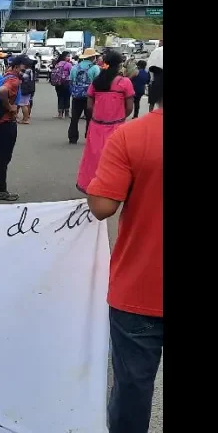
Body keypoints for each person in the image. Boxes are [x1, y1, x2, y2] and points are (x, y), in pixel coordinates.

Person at [86, 66, 162, 433]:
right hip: (138, 292)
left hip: (139, 290)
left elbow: (102, 207)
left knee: (132, 391)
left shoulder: (131, 136)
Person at [75, 51, 134, 193]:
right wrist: (119, 117)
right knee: (116, 159)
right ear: (120, 64)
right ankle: (111, 187)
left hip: (96, 125)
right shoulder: (124, 82)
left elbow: (89, 106)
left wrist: (98, 114)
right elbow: (129, 108)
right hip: (116, 126)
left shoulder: (96, 82)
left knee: (92, 157)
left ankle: (89, 185)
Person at [0, 55, 32, 202]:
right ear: (17, 66)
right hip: (6, 121)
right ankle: (0, 189)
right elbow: (3, 91)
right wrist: (9, 107)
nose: (26, 70)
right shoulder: (13, 80)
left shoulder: (5, 75)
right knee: (4, 156)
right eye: (25, 67)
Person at [68, 48, 102, 144]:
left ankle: (72, 137)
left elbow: (71, 81)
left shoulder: (75, 67)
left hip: (77, 96)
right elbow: (97, 82)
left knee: (74, 117)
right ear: (92, 57)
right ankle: (89, 136)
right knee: (90, 118)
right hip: (90, 97)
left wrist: (73, 92)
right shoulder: (95, 68)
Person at [50, 51, 73, 119]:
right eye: (68, 56)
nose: (69, 57)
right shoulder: (69, 64)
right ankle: (66, 113)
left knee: (60, 97)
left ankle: (60, 113)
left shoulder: (58, 63)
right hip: (66, 83)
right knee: (67, 97)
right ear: (64, 57)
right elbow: (71, 73)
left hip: (58, 83)